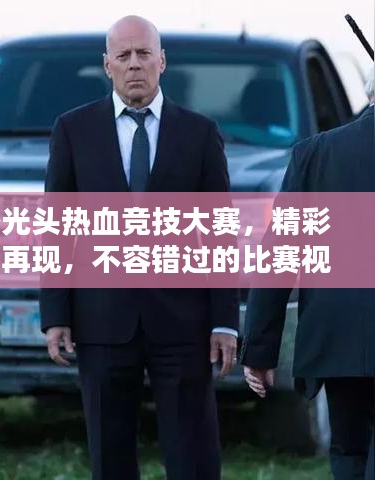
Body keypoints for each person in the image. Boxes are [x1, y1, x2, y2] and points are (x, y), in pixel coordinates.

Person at [39, 15, 239, 480]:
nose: (134, 64)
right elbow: (57, 227)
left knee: (193, 457)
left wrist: (225, 320)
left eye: (144, 54)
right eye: (124, 55)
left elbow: (219, 233)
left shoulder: (199, 133)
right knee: (110, 457)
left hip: (183, 323)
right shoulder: (73, 130)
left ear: (162, 61)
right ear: (106, 65)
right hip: (102, 321)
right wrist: (55, 313)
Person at [241, 65, 375, 480]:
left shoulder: (316, 154)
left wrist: (259, 350)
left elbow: (279, 256)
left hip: (339, 338)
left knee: (349, 450)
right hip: (341, 339)